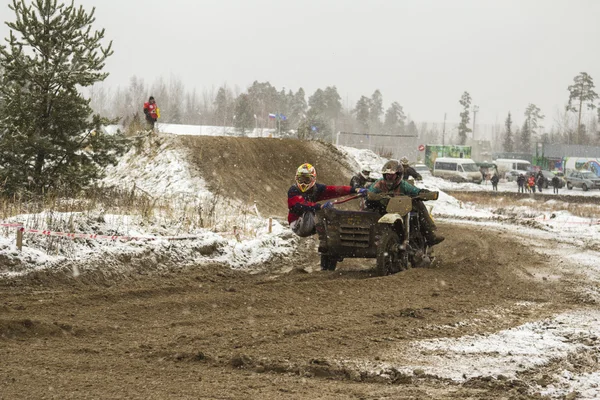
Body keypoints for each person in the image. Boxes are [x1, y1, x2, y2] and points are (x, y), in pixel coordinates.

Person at [365, 160, 444, 246]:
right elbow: (370, 193)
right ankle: (367, 236)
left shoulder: (404, 185)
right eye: (387, 175)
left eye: (391, 175)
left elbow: (415, 191)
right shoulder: (378, 184)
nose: (389, 177)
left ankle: (430, 235)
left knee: (418, 204)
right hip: (383, 209)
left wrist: (424, 193)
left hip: (401, 209)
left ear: (398, 175)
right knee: (368, 208)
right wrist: (374, 197)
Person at [288, 163, 367, 237]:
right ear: (296, 179)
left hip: (309, 224)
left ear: (313, 180)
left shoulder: (316, 189)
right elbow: (300, 204)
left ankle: (332, 237)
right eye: (301, 180)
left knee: (331, 211)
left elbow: (334, 190)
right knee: (315, 210)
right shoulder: (293, 190)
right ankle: (325, 232)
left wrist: (355, 190)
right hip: (296, 225)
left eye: (306, 180)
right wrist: (320, 206)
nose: (303, 183)